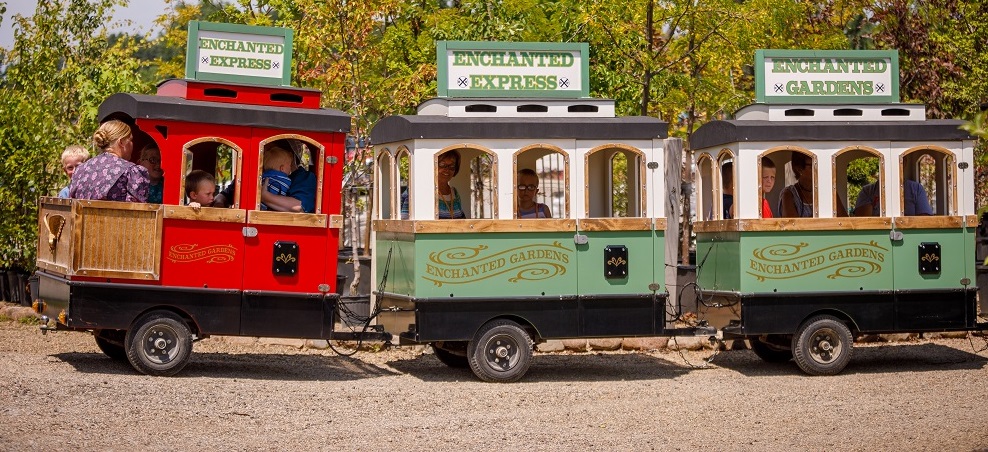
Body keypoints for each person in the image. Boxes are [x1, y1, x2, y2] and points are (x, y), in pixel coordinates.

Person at [69, 120, 149, 202]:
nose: (132, 144)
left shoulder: (80, 170)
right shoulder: (130, 172)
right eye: (130, 140)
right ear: (121, 142)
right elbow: (139, 210)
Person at [854, 174, 933, 216]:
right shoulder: (867, 191)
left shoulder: (916, 188)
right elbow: (862, 221)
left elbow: (925, 218)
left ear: (904, 162)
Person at [260, 145, 294, 210]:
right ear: (282, 168)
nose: (290, 168)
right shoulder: (286, 180)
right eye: (290, 165)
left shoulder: (263, 177)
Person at [435, 150, 466, 219]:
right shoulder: (420, 191)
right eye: (442, 165)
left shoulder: (454, 192)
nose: (447, 169)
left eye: (452, 166)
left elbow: (462, 220)